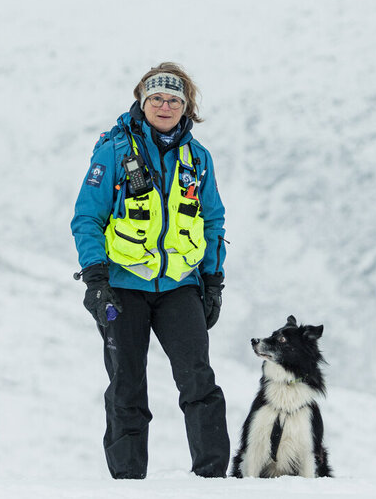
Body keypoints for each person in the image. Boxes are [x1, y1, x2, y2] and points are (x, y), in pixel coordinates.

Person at [71, 62, 229, 479]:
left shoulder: (198, 158)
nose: (164, 105)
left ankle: (213, 480)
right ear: (143, 101)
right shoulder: (114, 151)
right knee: (127, 386)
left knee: (199, 382)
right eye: (156, 98)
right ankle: (128, 483)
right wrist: (96, 279)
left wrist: (213, 281)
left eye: (174, 99)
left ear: (186, 107)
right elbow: (87, 218)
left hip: (180, 286)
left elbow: (212, 220)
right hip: (122, 286)